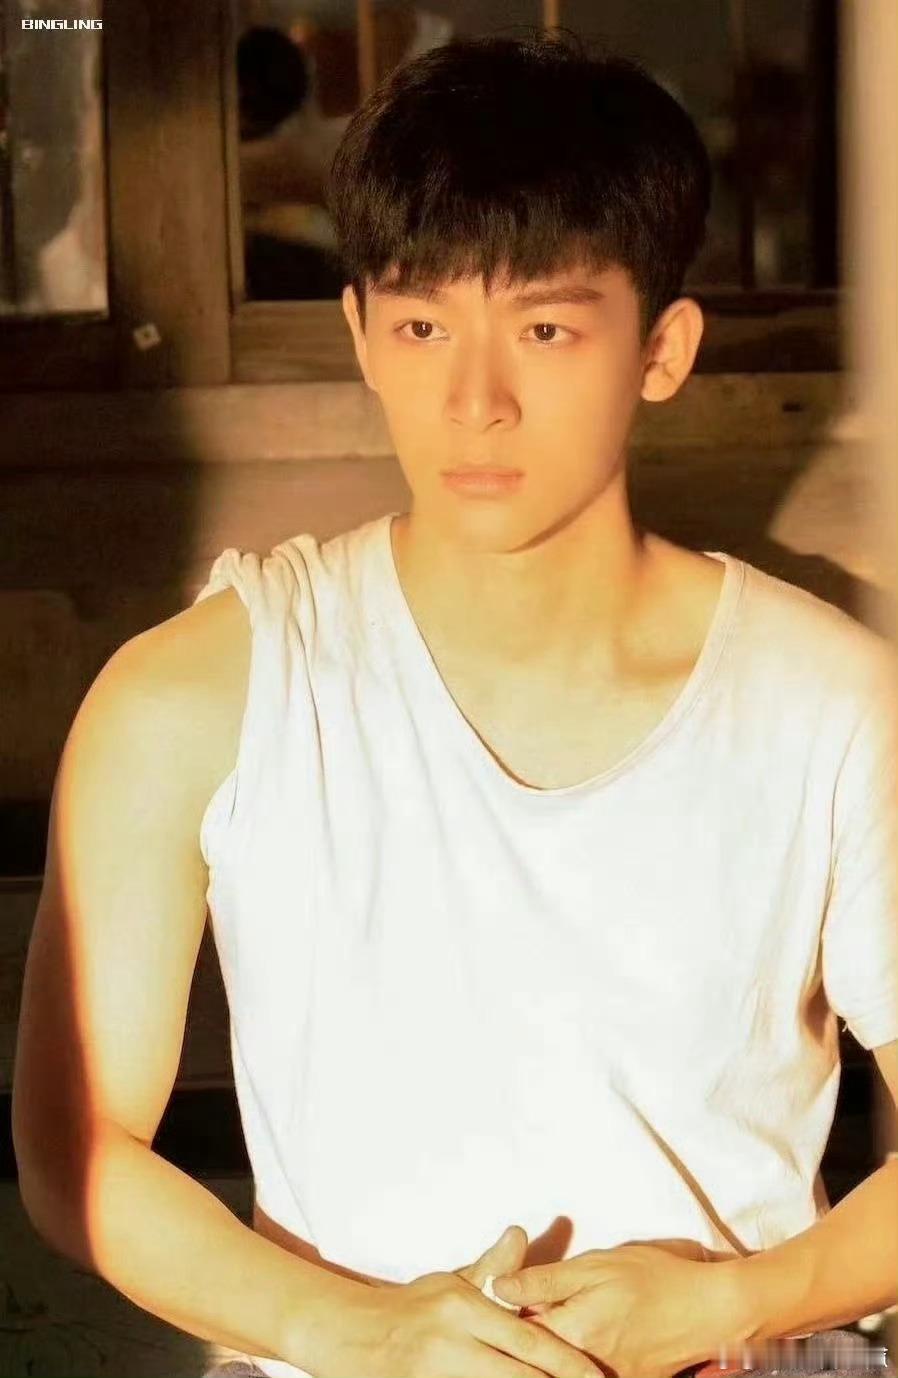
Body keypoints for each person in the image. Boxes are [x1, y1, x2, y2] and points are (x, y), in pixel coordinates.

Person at [12, 30, 898, 1378]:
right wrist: (369, 1334)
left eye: (544, 329)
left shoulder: (828, 702)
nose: (474, 401)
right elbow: (75, 1147)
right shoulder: (196, 694)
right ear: (361, 335)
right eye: (423, 326)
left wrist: (737, 1300)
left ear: (661, 349)